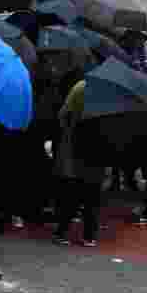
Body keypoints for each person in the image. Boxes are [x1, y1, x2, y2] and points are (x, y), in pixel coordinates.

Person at [52, 77, 106, 247]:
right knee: (93, 195)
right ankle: (89, 235)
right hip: (99, 148)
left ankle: (62, 232)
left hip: (75, 143)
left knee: (71, 193)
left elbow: (62, 114)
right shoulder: (113, 97)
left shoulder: (80, 87)